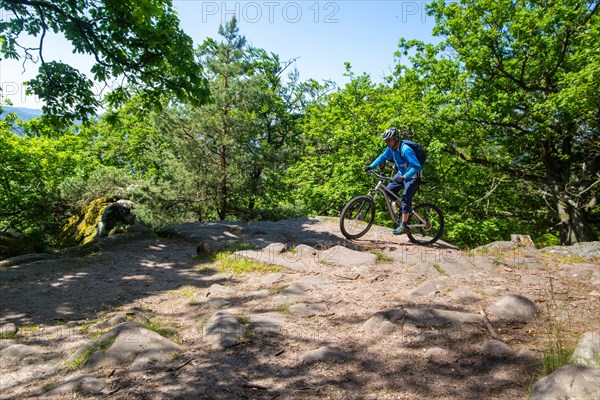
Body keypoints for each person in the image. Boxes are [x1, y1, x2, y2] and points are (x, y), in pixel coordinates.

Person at [364, 127, 422, 235]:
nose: (387, 142)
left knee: (405, 198)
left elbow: (417, 166)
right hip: (402, 173)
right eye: (386, 140)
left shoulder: (405, 150)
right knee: (388, 190)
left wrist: (405, 177)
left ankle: (404, 225)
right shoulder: (391, 148)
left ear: (395, 139)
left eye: (388, 140)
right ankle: (404, 208)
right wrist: (371, 166)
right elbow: (382, 157)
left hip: (413, 175)